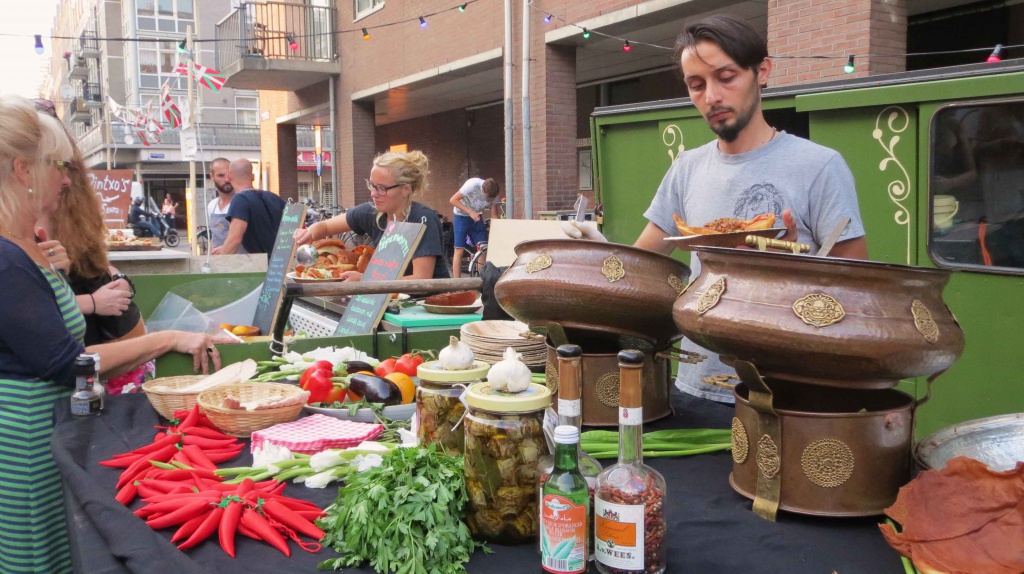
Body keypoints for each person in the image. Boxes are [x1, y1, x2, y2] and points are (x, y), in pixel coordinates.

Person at [566, 16, 867, 405]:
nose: (711, 96)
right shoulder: (687, 169)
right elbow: (644, 265)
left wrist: (795, 269)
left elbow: (858, 293)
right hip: (697, 383)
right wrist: (601, 248)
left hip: (787, 395)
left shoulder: (819, 166)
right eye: (697, 85)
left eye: (726, 77)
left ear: (762, 71)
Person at [0, 95, 231, 573]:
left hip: (55, 428)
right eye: (58, 165)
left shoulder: (29, 250)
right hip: (27, 443)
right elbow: (70, 362)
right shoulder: (7, 260)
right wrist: (166, 339)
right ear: (23, 171)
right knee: (38, 559)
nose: (67, 179)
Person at [293, 150, 450, 281]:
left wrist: (364, 280)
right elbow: (325, 226)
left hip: (426, 308)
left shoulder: (422, 219)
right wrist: (308, 234)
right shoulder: (371, 212)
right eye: (372, 185)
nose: (374, 194)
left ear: (405, 189)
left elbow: (421, 280)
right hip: (388, 303)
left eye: (382, 188)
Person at [211, 158, 285, 257]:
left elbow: (234, 240)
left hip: (256, 265)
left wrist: (218, 263)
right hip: (278, 263)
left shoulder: (240, 200)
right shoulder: (273, 197)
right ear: (253, 176)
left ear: (229, 176)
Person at [449, 177, 501, 278]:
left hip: (476, 217)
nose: (489, 200)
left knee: (482, 247)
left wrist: (498, 229)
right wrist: (470, 212)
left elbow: (494, 215)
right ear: (483, 190)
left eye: (491, 198)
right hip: (461, 216)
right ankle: (456, 283)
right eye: (487, 197)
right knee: (459, 249)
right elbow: (453, 200)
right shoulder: (472, 185)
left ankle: (481, 279)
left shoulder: (494, 196)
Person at [206, 157, 244, 252]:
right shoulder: (212, 205)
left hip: (241, 261)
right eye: (221, 175)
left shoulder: (242, 202)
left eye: (229, 174)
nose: (226, 179)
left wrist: (225, 249)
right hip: (219, 263)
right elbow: (213, 237)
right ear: (212, 176)